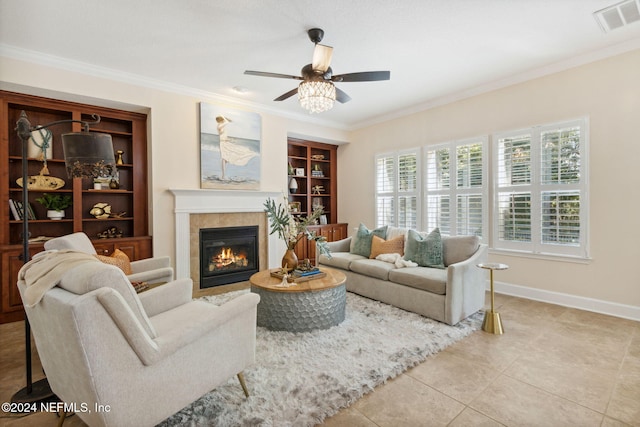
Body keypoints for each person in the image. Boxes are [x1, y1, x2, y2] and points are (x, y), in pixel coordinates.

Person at [216, 115, 257, 180]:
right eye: (222, 120)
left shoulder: (222, 126)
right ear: (221, 120)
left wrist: (230, 140)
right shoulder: (219, 126)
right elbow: (227, 122)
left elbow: (228, 123)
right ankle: (223, 175)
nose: (223, 121)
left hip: (225, 143)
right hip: (223, 144)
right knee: (224, 158)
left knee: (227, 157)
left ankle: (223, 175)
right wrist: (224, 117)